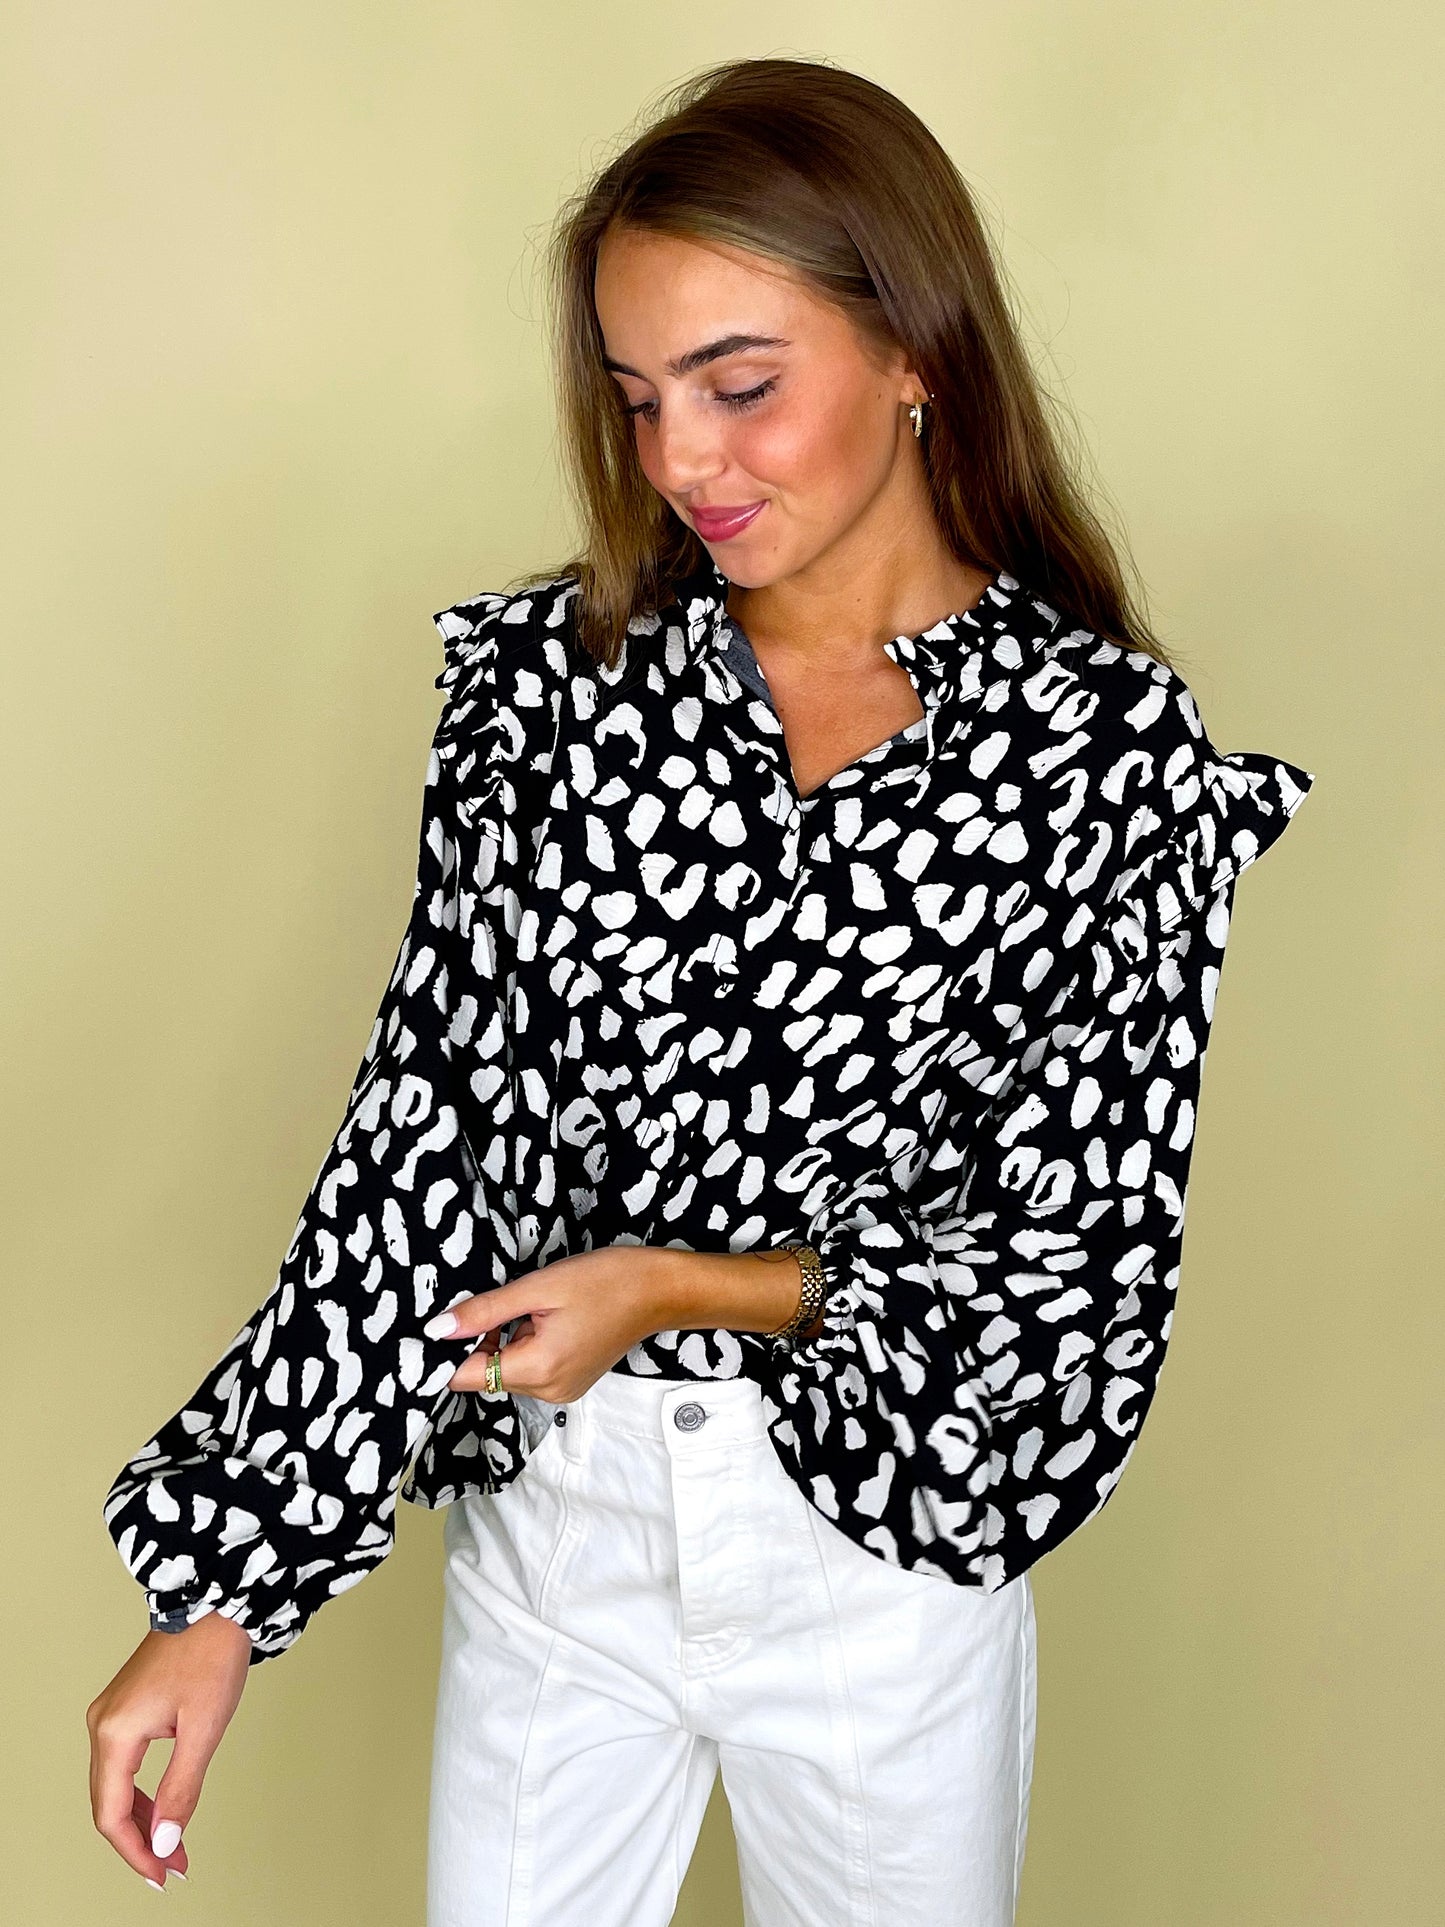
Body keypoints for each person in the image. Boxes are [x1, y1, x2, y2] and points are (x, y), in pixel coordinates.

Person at [87, 55, 1315, 1925]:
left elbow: (1068, 1278)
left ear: (914, 350)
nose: (677, 460)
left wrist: (672, 1284)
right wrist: (219, 1601)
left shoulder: (1100, 760)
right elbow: (423, 1146)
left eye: (739, 387)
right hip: (560, 1539)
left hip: (885, 1556)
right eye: (637, 395)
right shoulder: (550, 695)